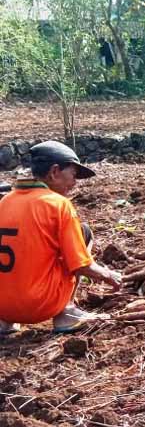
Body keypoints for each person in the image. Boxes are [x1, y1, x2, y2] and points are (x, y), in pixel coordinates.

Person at [0, 141, 122, 335]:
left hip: (2, 307)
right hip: (38, 306)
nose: (74, 183)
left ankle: (5, 323)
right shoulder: (58, 205)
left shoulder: (5, 201)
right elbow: (81, 265)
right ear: (55, 172)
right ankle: (67, 312)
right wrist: (110, 275)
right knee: (84, 232)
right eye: (73, 175)